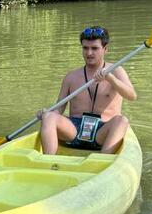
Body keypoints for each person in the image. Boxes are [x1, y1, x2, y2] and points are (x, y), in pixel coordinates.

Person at [37, 25, 136, 155]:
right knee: (49, 117)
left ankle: (104, 162)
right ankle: (48, 162)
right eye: (85, 48)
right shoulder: (71, 76)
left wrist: (110, 78)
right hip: (74, 130)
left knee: (122, 120)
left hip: (103, 130)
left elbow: (132, 96)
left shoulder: (116, 71)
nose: (89, 53)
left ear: (105, 49)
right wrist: (46, 114)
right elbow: (59, 109)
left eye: (94, 48)